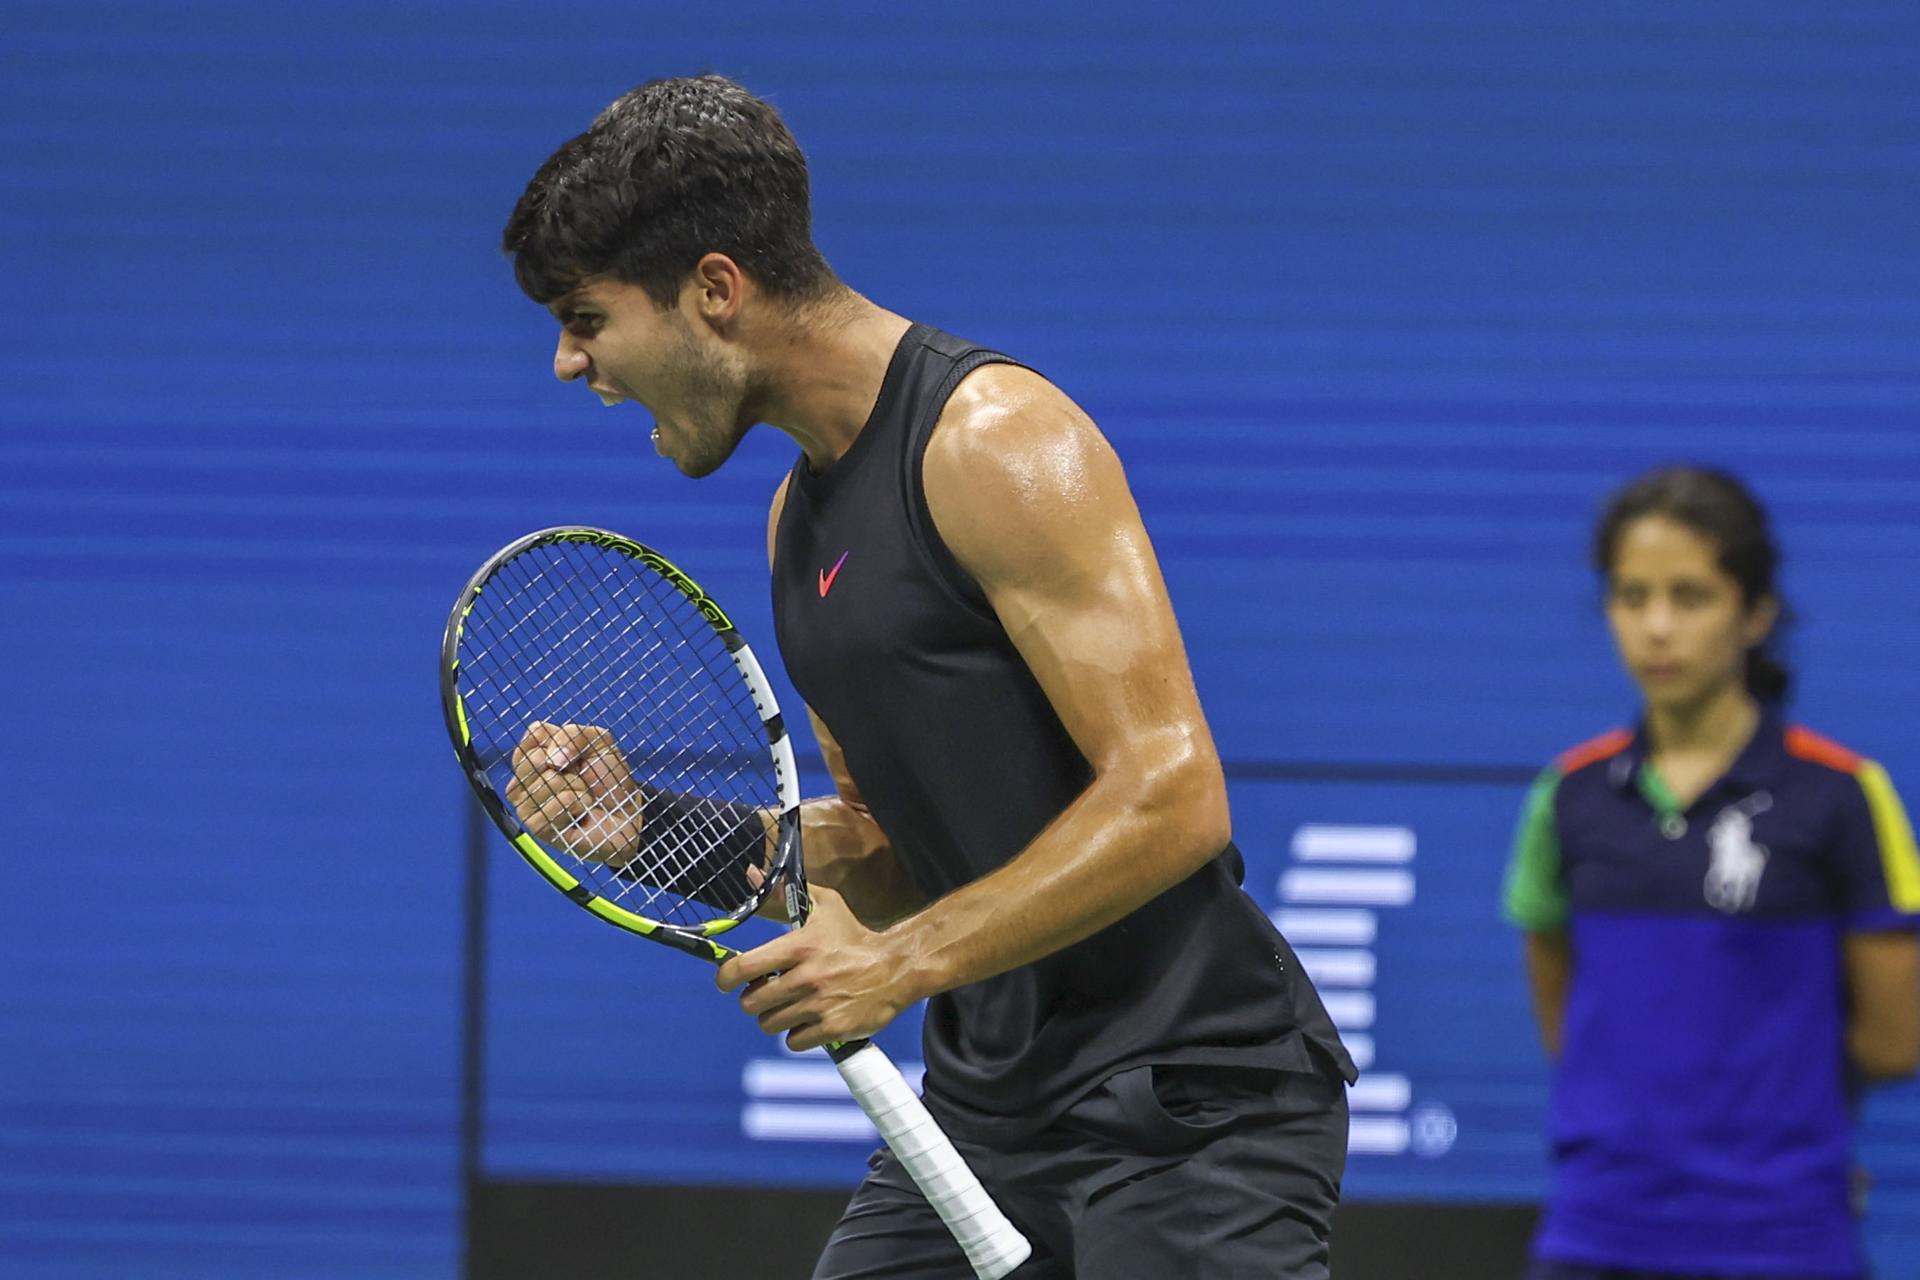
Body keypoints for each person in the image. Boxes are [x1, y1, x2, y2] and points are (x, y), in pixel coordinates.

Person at [498, 74, 1356, 1278]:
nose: (567, 361)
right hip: (993, 1109)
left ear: (713, 290)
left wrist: (899, 966)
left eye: (586, 315)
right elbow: (896, 853)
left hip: (1184, 1108)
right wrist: (649, 827)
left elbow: (1172, 790)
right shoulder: (797, 518)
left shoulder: (995, 441)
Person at [1503, 465, 1920, 1279]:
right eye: (1632, 596)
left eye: (1690, 597)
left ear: (1756, 612)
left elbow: (1894, 1042)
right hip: (1598, 1236)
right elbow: (1567, 1012)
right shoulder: (1568, 795)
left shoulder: (1845, 794)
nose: (1657, 627)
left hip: (1785, 1240)